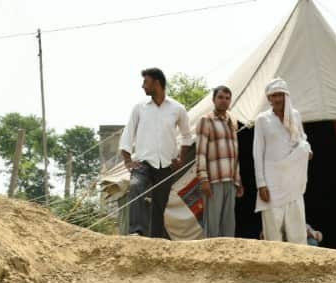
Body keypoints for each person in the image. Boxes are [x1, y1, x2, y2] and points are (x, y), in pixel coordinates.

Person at [119, 67, 192, 239]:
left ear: (157, 83)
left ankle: (157, 240)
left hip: (166, 164)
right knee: (136, 186)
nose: (142, 86)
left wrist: (181, 158)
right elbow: (128, 134)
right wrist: (127, 160)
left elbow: (187, 135)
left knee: (160, 203)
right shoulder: (139, 108)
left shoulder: (177, 108)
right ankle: (136, 232)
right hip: (142, 163)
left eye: (146, 82)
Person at [254, 77, 312, 244]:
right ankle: (273, 266)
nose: (277, 99)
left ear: (286, 96)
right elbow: (258, 152)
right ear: (268, 98)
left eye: (280, 94)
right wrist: (261, 184)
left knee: (297, 226)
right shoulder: (262, 120)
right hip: (271, 180)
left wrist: (307, 149)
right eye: (274, 95)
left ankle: (299, 265)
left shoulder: (295, 116)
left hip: (293, 178)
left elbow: (302, 139)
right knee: (273, 228)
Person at [195, 85, 244, 238]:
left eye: (227, 98)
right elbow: (200, 152)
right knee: (213, 225)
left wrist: (238, 180)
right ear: (213, 99)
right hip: (213, 180)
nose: (224, 101)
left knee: (229, 224)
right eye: (220, 97)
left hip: (230, 180)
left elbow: (234, 153)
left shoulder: (232, 121)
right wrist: (203, 179)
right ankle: (210, 259)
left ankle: (226, 259)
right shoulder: (206, 120)